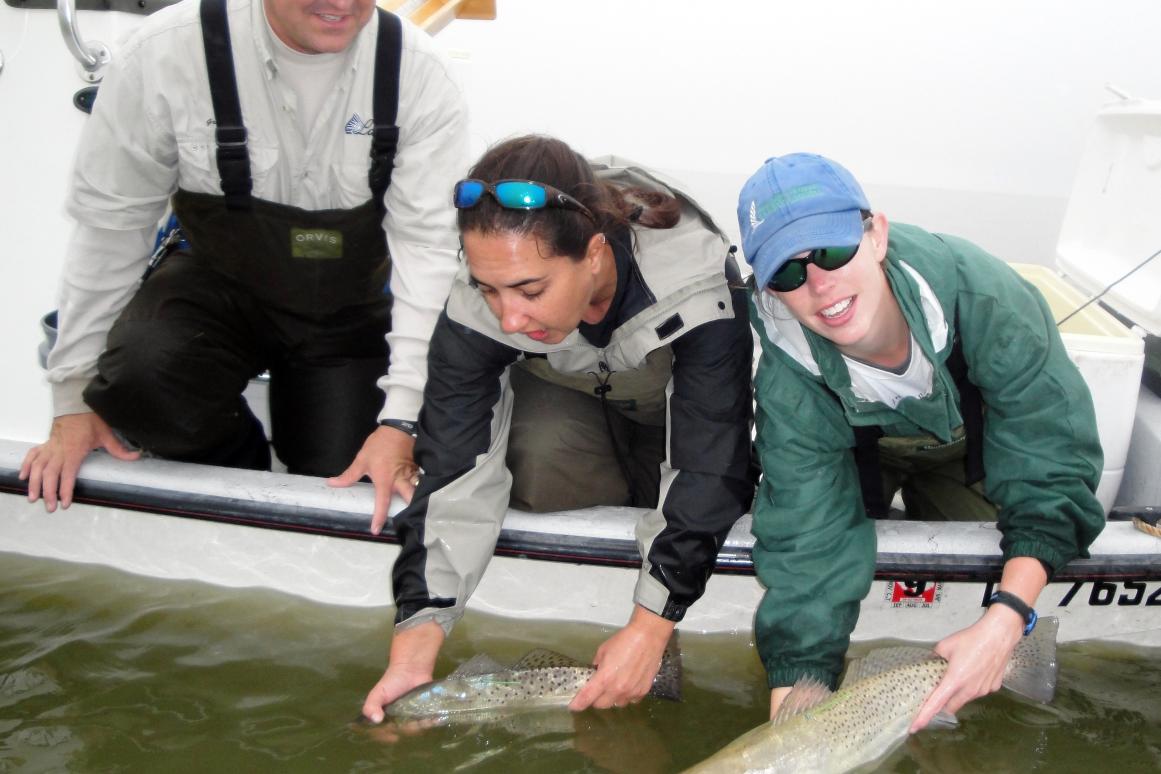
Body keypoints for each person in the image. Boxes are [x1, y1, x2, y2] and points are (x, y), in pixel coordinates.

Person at [19, 0, 468, 528]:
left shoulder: (421, 73)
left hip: (349, 313)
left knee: (350, 484)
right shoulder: (163, 53)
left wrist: (401, 421)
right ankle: (235, 468)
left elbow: (429, 259)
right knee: (139, 379)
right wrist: (72, 400)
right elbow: (111, 231)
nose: (342, 3)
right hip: (216, 292)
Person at [361, 135, 756, 722]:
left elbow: (709, 457)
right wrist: (415, 646)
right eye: (489, 289)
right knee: (537, 459)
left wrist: (649, 628)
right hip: (567, 396)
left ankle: (655, 602)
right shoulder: (482, 292)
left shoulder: (696, 282)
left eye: (530, 290)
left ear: (595, 253)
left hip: (670, 411)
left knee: (696, 495)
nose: (509, 316)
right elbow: (453, 465)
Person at [735, 153, 1105, 731]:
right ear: (768, 289)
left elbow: (1051, 464)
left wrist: (1007, 619)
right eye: (786, 272)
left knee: (1022, 549)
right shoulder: (788, 380)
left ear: (876, 234)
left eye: (831, 251)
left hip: (981, 453)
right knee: (814, 564)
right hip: (860, 462)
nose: (818, 283)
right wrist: (792, 720)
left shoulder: (986, 297)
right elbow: (809, 544)